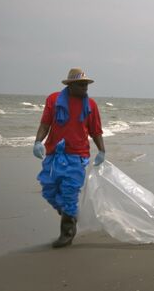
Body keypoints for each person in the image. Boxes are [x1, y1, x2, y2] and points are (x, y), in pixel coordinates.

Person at [33, 68, 106, 248]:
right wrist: (37, 141)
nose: (85, 88)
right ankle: (70, 213)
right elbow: (45, 123)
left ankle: (67, 233)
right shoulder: (54, 100)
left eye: (86, 85)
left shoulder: (91, 105)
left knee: (69, 192)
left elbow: (96, 131)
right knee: (49, 190)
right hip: (54, 153)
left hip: (77, 155)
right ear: (71, 85)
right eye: (81, 85)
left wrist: (102, 151)